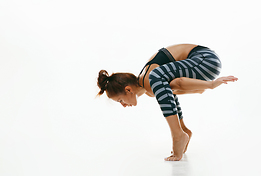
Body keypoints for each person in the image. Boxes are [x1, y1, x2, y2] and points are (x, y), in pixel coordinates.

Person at [96, 44, 238, 161]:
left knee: (156, 77)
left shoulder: (149, 79)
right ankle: (182, 130)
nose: (123, 105)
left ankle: (178, 134)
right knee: (163, 85)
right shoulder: (151, 84)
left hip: (205, 59)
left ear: (128, 90)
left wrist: (211, 85)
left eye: (120, 100)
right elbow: (177, 85)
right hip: (206, 64)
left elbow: (180, 83)